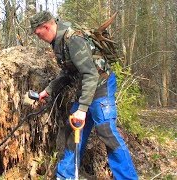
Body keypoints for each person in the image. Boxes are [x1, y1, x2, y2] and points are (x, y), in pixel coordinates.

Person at [30, 11, 138, 179]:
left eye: (38, 33)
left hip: (101, 85)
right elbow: (67, 73)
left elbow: (91, 75)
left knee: (106, 131)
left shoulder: (73, 40)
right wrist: (48, 90)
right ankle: (66, 175)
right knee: (73, 130)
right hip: (85, 87)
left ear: (46, 26)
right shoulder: (58, 42)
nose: (38, 37)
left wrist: (82, 109)